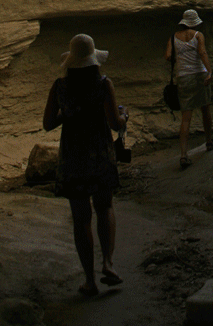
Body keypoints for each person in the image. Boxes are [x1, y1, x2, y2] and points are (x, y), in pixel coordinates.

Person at [43, 33, 128, 298]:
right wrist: (124, 116)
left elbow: (48, 123)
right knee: (105, 207)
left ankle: (89, 280)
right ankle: (108, 264)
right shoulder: (103, 84)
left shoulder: (60, 87)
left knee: (81, 220)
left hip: (73, 157)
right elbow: (115, 123)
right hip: (100, 154)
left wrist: (68, 113)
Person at [165, 8, 213, 169]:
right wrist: (209, 71)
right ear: (194, 22)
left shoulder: (173, 37)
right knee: (205, 109)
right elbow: (202, 52)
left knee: (186, 117)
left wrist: (181, 57)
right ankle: (209, 141)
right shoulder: (197, 35)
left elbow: (168, 56)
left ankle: (183, 155)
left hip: (183, 77)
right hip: (199, 75)